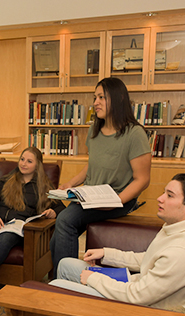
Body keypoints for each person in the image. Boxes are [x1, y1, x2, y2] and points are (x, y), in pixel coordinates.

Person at [50, 173, 185, 313]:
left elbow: (137, 297)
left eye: (169, 195)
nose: (159, 199)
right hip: (136, 288)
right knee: (66, 264)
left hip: (140, 308)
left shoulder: (182, 252)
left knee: (55, 286)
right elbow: (150, 259)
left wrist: (94, 279)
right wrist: (107, 254)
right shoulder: (181, 229)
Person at [49, 77, 152, 273]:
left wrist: (116, 200)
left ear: (119, 98)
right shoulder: (94, 129)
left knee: (64, 221)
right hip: (92, 196)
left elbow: (142, 179)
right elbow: (92, 166)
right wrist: (68, 185)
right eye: (95, 97)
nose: (95, 102)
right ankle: (59, 277)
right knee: (58, 233)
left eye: (101, 97)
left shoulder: (134, 133)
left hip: (118, 198)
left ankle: (65, 281)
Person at [0, 147, 65, 302]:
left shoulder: (44, 186)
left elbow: (61, 207)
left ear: (37, 165)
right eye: (22, 159)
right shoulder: (6, 180)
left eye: (29, 161)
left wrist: (53, 212)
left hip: (18, 227)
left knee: (5, 237)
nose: (23, 164)